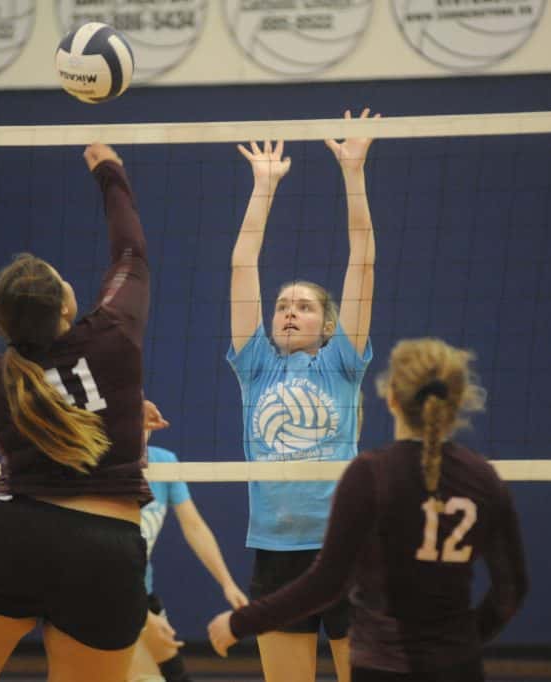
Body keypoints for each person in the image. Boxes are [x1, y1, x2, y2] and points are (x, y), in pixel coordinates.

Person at [0, 143, 163, 682]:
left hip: (12, 536)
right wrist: (109, 169)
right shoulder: (113, 335)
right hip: (103, 554)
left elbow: (54, 423)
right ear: (65, 304)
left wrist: (126, 415)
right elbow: (131, 252)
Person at [210, 337, 529, 682]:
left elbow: (326, 583)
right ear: (457, 400)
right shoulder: (484, 478)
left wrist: (240, 622)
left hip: (382, 667)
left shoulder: (371, 474)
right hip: (458, 667)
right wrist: (462, 641)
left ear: (391, 398)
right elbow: (511, 591)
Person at [227, 109, 378, 682]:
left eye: (304, 306)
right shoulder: (256, 365)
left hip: (345, 547)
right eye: (282, 305)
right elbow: (243, 264)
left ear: (328, 323)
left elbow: (362, 259)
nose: (289, 312)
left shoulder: (341, 360)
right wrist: (263, 188)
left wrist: (353, 174)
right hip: (276, 553)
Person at [126, 401, 249, 682]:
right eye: (132, 424)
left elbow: (194, 527)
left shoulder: (164, 463)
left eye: (144, 425)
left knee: (171, 675)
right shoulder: (103, 468)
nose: (140, 432)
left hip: (142, 595)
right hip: (105, 596)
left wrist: (227, 582)